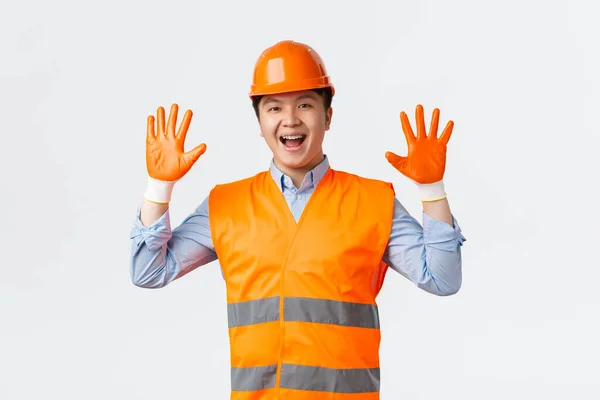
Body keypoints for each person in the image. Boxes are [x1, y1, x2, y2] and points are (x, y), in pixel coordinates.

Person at [130, 40, 466, 399]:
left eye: (305, 104)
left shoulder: (373, 202)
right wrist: (159, 187)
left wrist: (431, 189)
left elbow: (443, 279)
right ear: (259, 121)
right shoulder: (225, 204)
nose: (290, 120)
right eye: (274, 107)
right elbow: (148, 272)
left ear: (328, 115)